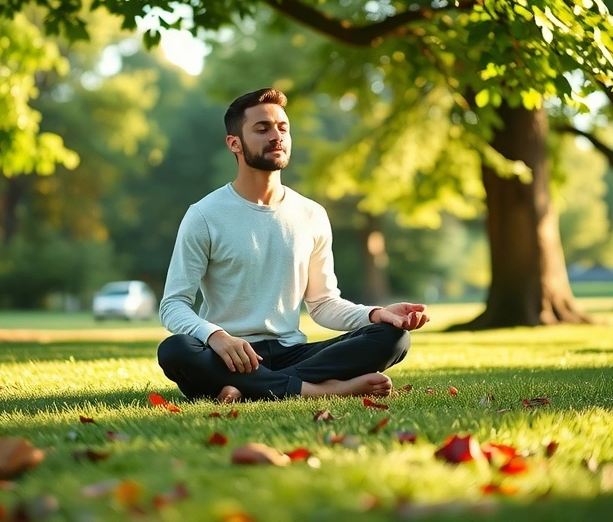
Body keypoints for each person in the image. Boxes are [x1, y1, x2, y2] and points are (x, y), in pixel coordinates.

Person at [157, 88, 429, 402]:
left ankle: (249, 389)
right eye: (262, 129)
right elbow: (172, 305)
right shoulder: (204, 215)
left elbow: (324, 304)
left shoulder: (311, 214)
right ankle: (320, 391)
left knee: (393, 338)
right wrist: (216, 336)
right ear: (235, 144)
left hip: (293, 354)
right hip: (229, 355)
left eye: (282, 128)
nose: (277, 136)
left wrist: (374, 315)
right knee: (176, 350)